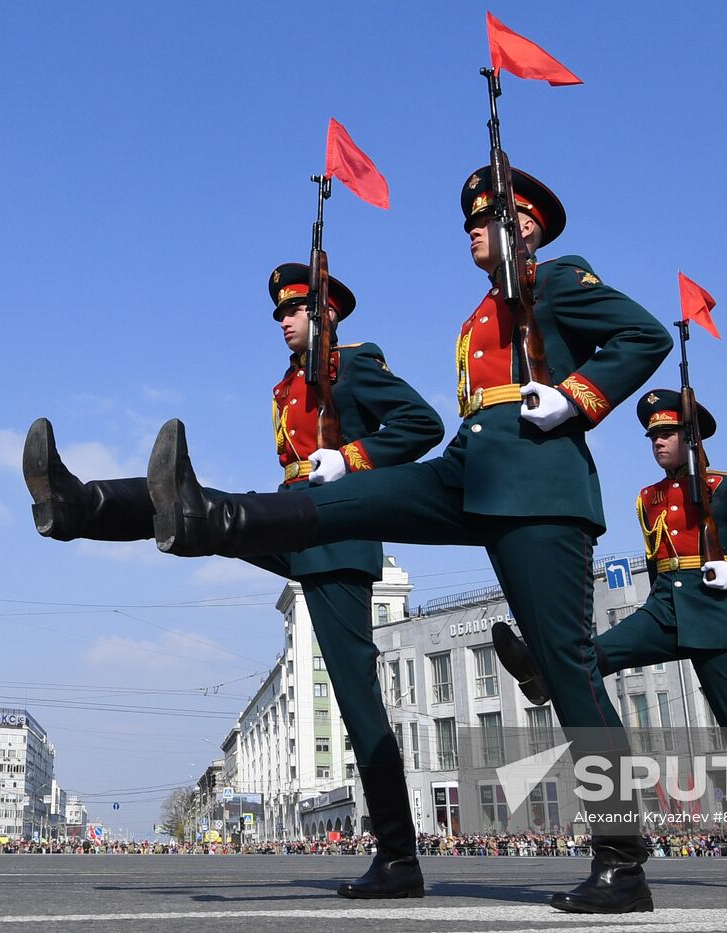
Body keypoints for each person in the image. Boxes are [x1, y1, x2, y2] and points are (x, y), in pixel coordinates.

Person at [146, 167, 673, 913]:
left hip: (537, 491)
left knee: (571, 669)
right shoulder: (487, 308)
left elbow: (643, 334)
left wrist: (576, 398)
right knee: (351, 499)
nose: (470, 228)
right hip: (470, 468)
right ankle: (211, 516)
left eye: (486, 217)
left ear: (525, 226)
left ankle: (623, 861)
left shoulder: (555, 282)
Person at [24, 262, 444, 898]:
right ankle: (77, 505)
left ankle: (398, 858)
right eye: (278, 312)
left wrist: (349, 459)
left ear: (326, 313)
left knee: (357, 702)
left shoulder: (353, 367)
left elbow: (422, 424)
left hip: (338, 538)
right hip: (293, 523)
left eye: (295, 309)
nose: (282, 320)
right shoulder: (288, 385)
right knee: (196, 508)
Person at [491, 389, 727, 891]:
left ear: (692, 437)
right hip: (664, 610)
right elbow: (663, 566)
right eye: (652, 434)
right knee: (589, 656)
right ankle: (543, 669)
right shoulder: (648, 497)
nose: (657, 442)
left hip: (720, 618)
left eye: (667, 433)